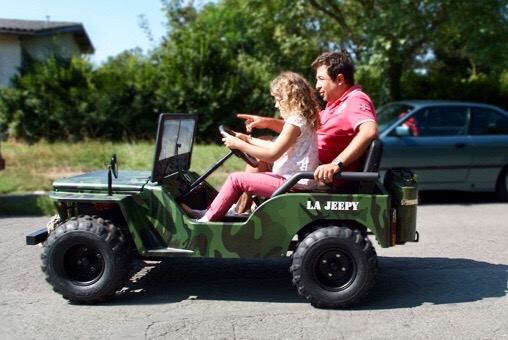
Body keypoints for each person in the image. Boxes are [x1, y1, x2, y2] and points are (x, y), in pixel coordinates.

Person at [233, 50, 378, 213]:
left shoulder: (355, 99)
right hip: (309, 164)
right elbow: (301, 130)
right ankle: (245, 208)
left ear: (339, 79)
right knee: (266, 140)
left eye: (321, 79)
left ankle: (241, 212)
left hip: (320, 174)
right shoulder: (333, 105)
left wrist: (336, 163)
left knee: (260, 152)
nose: (317, 86)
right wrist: (267, 122)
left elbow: (369, 131)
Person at [181, 71, 321, 222]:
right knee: (245, 178)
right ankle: (221, 211)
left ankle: (206, 219)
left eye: (278, 99)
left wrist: (239, 144)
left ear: (290, 99)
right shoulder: (302, 120)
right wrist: (247, 139)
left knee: (236, 179)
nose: (276, 104)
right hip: (293, 181)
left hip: (292, 184)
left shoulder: (295, 123)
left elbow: (272, 154)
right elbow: (272, 146)